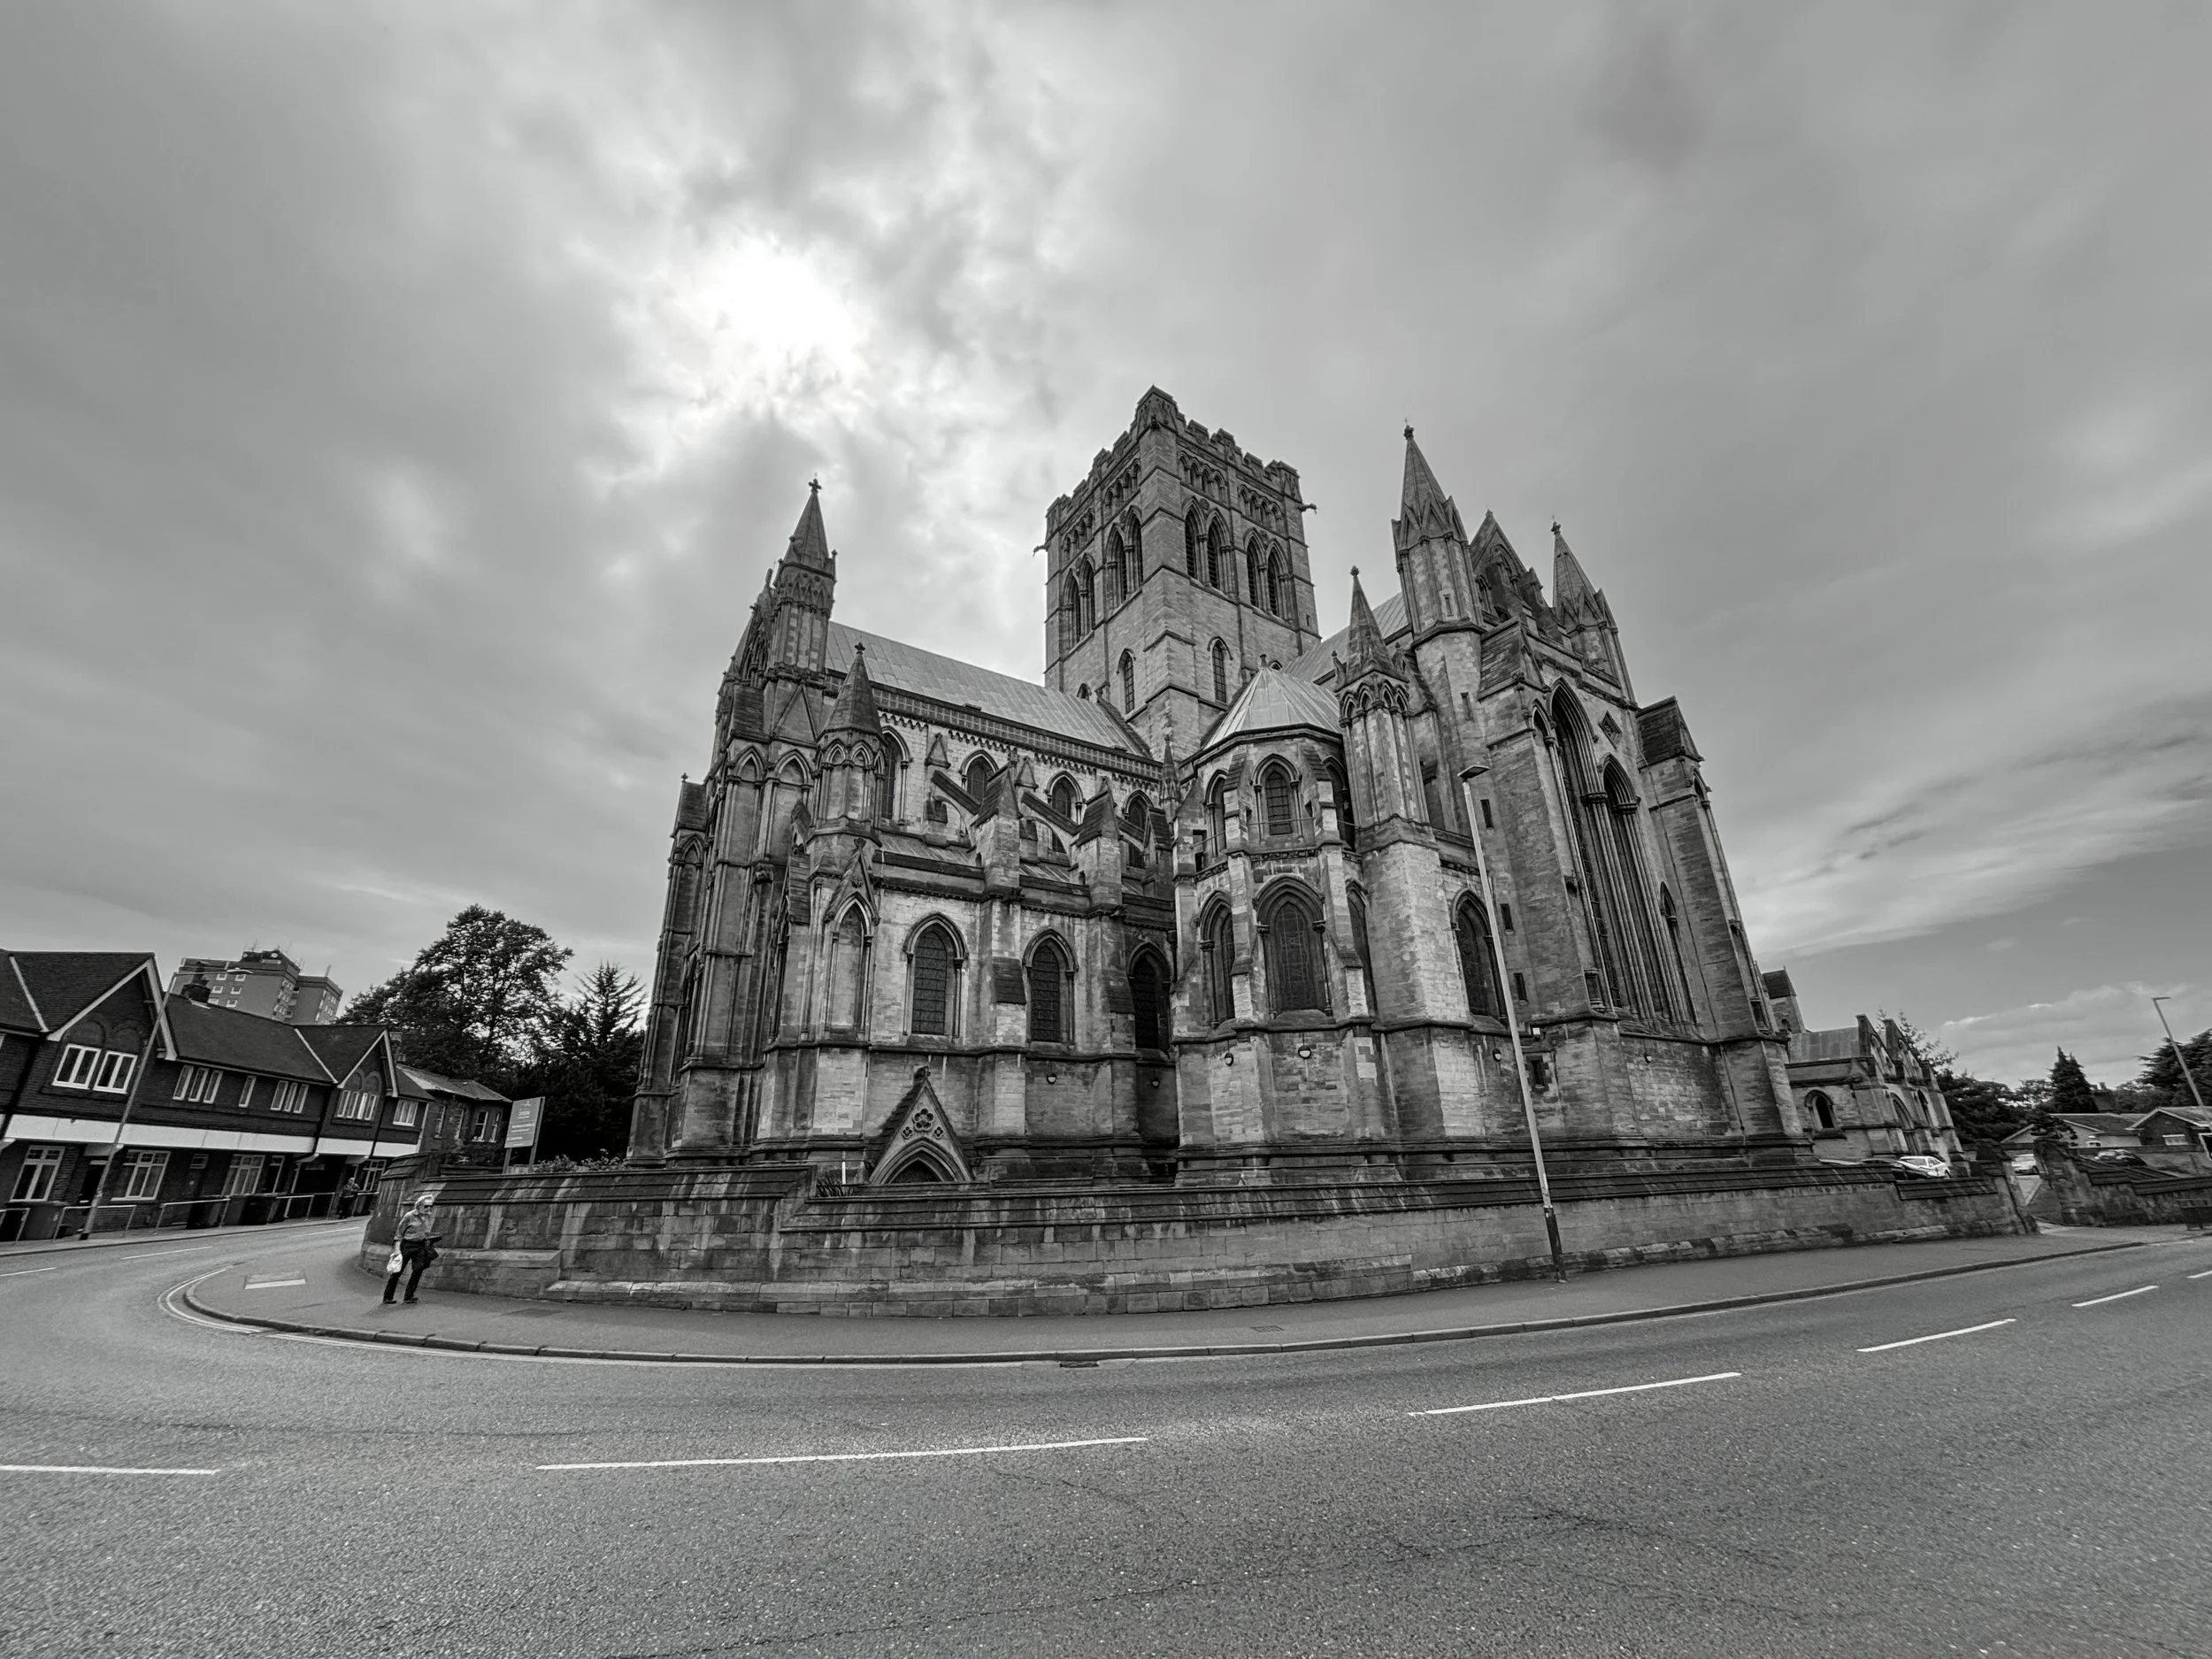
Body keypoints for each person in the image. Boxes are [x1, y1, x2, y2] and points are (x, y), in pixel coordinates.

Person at [383, 1194, 440, 1304]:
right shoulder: (409, 1216)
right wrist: (397, 1250)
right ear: (419, 1205)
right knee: (397, 1271)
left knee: (418, 1270)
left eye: (430, 1206)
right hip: (407, 1245)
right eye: (426, 1206)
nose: (429, 1209)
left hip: (420, 1246)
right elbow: (399, 1234)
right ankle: (387, 1297)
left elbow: (425, 1231)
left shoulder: (428, 1216)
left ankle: (409, 1296)